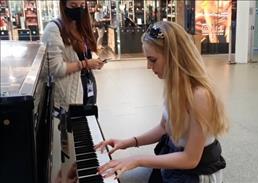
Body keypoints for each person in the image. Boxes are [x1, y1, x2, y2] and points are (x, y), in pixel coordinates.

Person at [95, 21, 228, 183]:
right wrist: (128, 142)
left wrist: (137, 160)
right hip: (175, 163)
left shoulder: (200, 96)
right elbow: (163, 127)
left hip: (194, 173)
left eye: (152, 60)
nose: (148, 66)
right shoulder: (174, 85)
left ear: (174, 57)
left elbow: (190, 159)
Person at [41, 0, 105, 110]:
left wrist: (93, 62)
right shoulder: (53, 30)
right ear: (63, 5)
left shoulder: (79, 26)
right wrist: (85, 64)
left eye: (82, 5)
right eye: (73, 5)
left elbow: (79, 55)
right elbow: (54, 68)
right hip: (66, 99)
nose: (78, 9)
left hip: (85, 90)